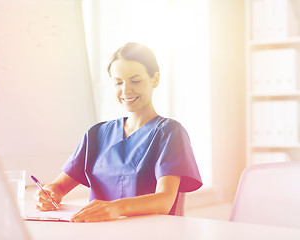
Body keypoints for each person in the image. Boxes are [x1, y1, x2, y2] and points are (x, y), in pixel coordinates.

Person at [34, 42, 202, 222]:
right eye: (118, 82)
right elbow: (58, 186)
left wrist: (116, 208)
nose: (126, 90)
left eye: (135, 80)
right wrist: (49, 194)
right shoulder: (97, 134)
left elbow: (164, 201)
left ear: (155, 79)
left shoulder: (170, 133)